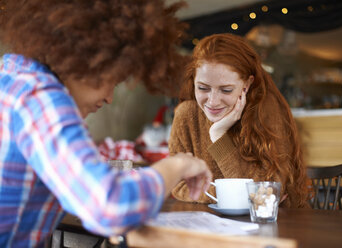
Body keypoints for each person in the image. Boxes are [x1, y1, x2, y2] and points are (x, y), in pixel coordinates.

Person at [0, 0, 212, 247]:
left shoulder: (11, 73)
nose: (110, 97)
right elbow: (110, 207)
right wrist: (177, 165)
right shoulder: (39, 96)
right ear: (85, 55)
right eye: (113, 79)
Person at [169, 33, 309, 208]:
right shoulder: (186, 115)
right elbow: (177, 183)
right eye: (203, 88)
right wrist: (236, 195)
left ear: (247, 84)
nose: (212, 101)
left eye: (226, 90)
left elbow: (267, 194)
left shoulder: (267, 111)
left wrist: (219, 135)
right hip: (206, 225)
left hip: (268, 226)